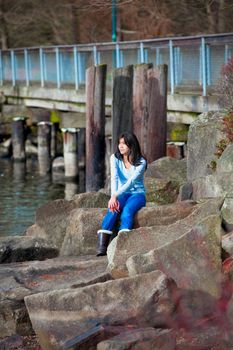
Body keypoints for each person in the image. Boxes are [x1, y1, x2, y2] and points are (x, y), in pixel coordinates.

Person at [96, 131, 147, 256]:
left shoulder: (141, 162)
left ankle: (121, 246)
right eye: (120, 143)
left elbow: (130, 182)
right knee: (113, 209)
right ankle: (102, 247)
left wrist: (114, 196)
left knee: (127, 211)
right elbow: (114, 178)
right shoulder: (115, 158)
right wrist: (114, 196)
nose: (121, 146)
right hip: (121, 194)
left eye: (124, 143)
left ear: (132, 145)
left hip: (137, 195)